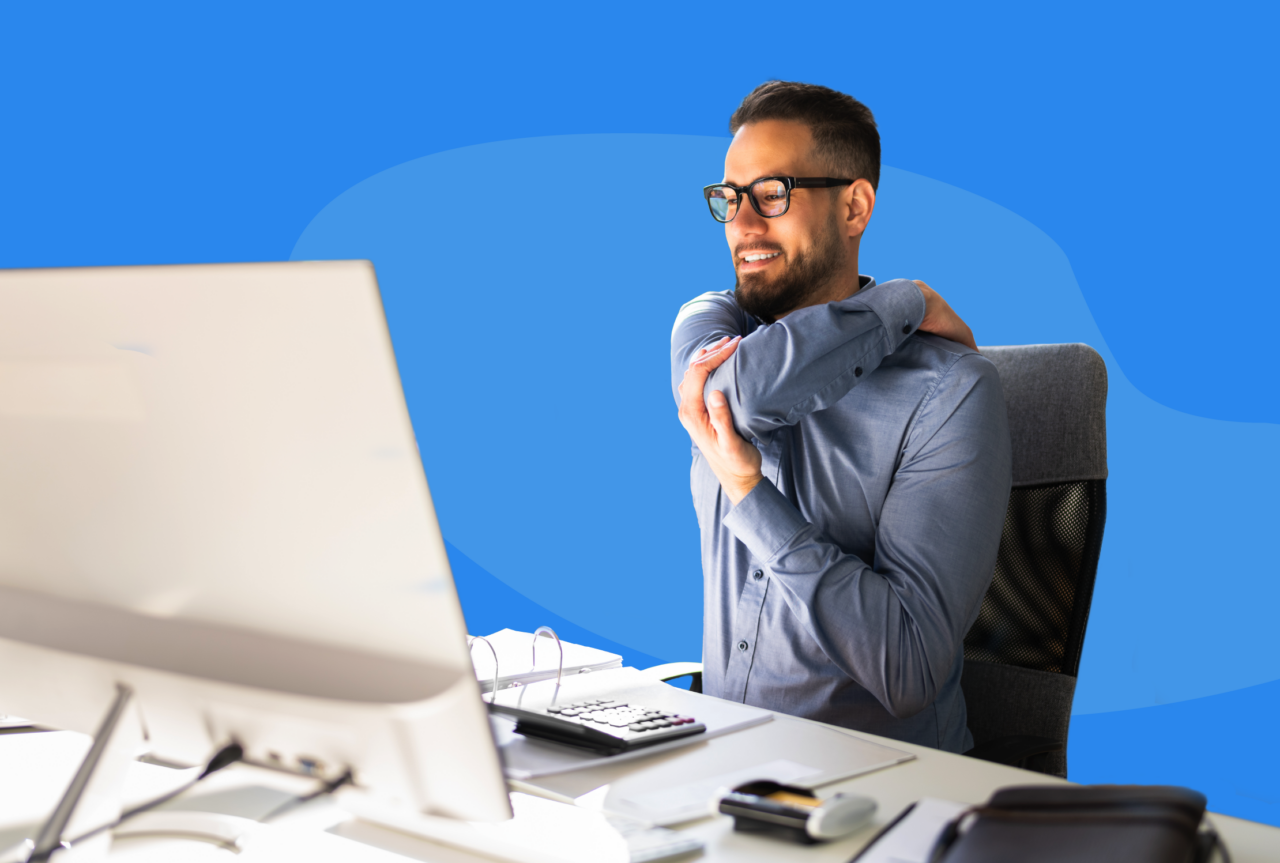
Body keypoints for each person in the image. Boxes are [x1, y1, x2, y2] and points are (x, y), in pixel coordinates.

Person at [671, 81, 1012, 752]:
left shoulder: (950, 392)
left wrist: (750, 494)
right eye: (730, 198)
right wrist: (903, 300)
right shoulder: (708, 323)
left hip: (878, 794)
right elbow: (739, 398)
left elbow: (908, 666)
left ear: (854, 206)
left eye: (772, 194)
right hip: (718, 765)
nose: (742, 224)